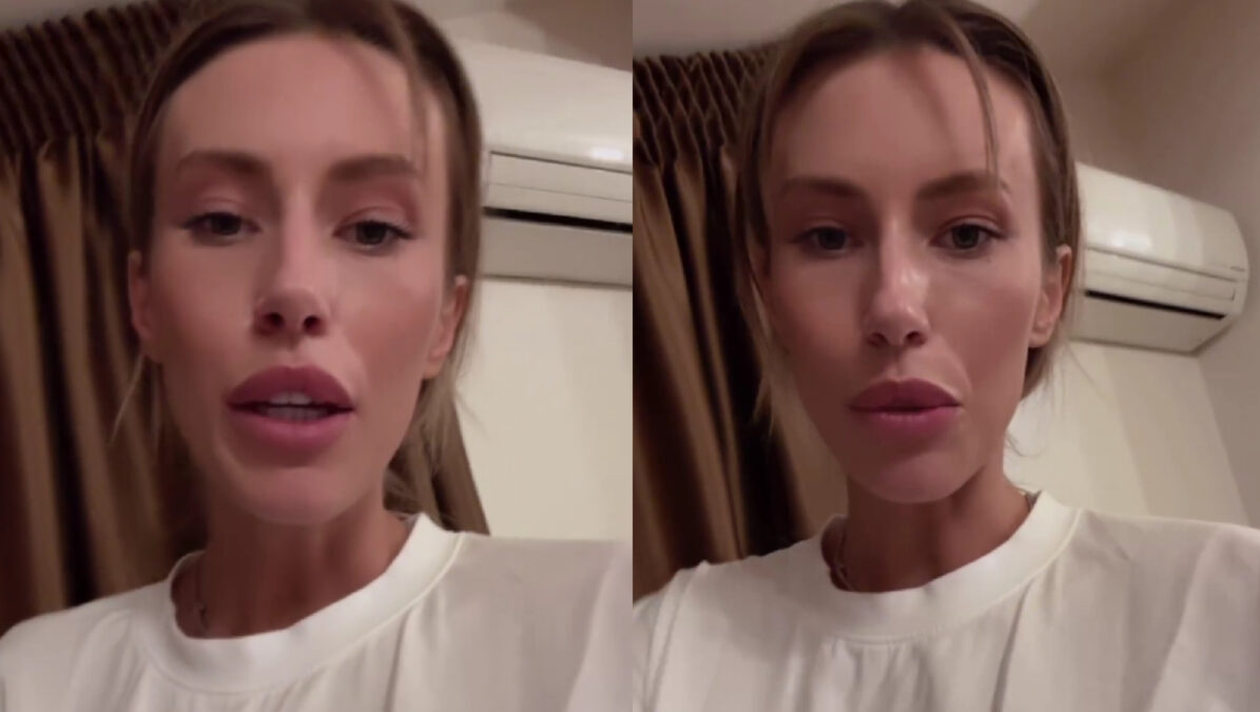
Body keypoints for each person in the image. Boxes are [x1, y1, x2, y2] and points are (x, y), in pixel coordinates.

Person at [0, 1, 627, 709]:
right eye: (222, 220)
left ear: (445, 321)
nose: (294, 290)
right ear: (144, 302)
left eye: (372, 231)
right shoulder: (32, 680)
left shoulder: (600, 631)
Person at [634, 1, 1260, 710]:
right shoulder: (665, 651)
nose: (895, 309)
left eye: (966, 234)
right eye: (829, 238)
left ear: (1050, 291)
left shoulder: (1222, 609)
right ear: (767, 291)